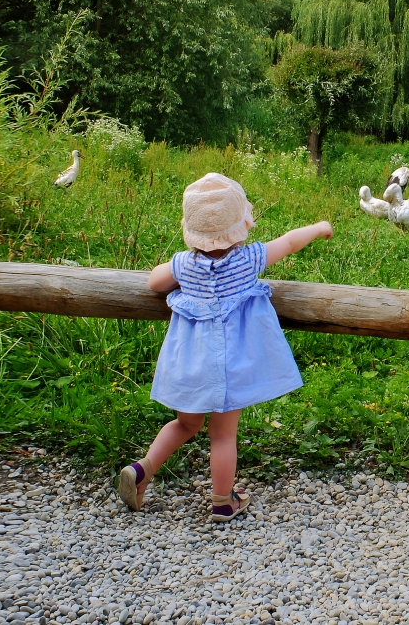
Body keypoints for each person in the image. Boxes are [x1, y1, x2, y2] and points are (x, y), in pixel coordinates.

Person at [118, 172, 332, 522]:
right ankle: (222, 501)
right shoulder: (248, 259)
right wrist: (319, 226)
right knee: (222, 435)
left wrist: (177, 271)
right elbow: (290, 242)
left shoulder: (185, 264)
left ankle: (142, 470)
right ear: (240, 224)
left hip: (190, 364)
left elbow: (154, 281)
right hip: (228, 366)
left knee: (185, 424)